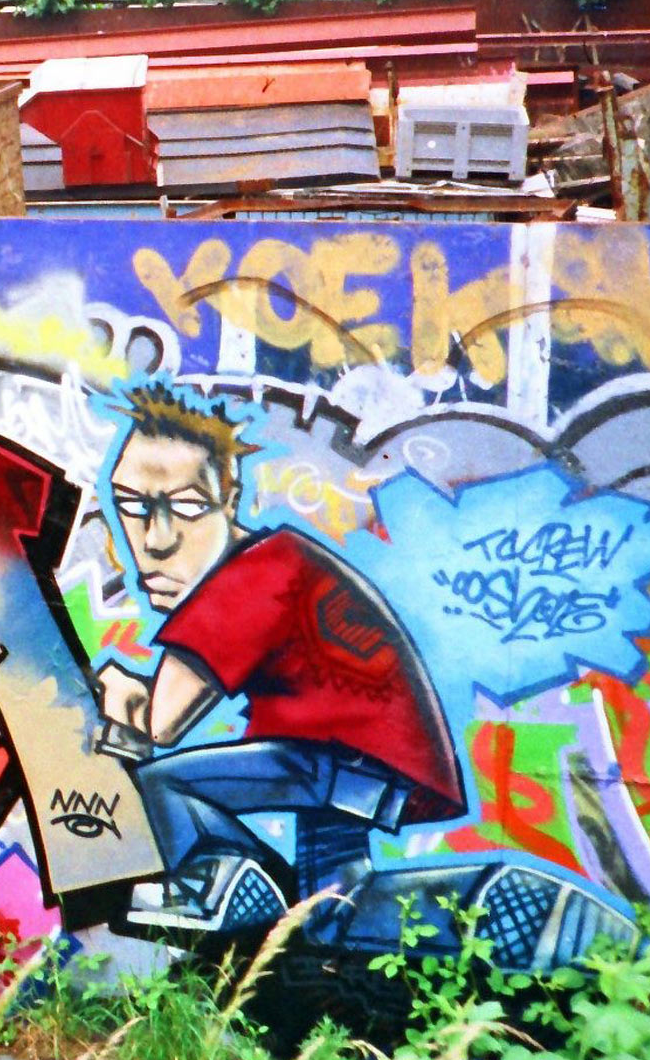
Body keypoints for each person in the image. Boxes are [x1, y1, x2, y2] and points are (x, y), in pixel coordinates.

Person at [95, 382, 465, 932]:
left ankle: (229, 892)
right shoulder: (277, 561)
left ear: (229, 498)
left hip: (340, 756)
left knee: (160, 783)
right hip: (367, 757)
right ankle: (464, 906)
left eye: (188, 507)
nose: (156, 539)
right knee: (331, 914)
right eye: (132, 506)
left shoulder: (250, 579)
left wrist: (114, 690)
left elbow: (161, 723)